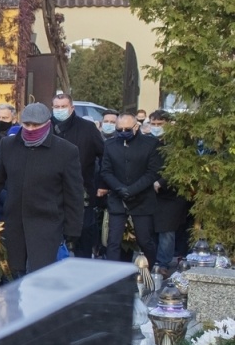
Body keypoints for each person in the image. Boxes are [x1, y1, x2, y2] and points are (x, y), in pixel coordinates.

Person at [0, 103, 84, 275]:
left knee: (41, 277)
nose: (31, 129)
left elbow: (74, 194)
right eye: (27, 124)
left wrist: (73, 230)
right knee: (15, 274)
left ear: (47, 124)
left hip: (47, 226)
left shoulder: (66, 151)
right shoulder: (8, 146)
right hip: (15, 223)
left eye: (36, 125)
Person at [99, 111, 164, 268]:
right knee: (113, 240)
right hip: (117, 197)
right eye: (119, 129)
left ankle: (148, 269)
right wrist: (119, 188)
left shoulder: (150, 144)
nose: (123, 132)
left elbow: (152, 172)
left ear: (136, 126)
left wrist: (132, 190)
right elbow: (106, 171)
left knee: (144, 239)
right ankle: (112, 277)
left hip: (142, 199)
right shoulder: (109, 145)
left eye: (127, 129)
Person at [51, 92, 106, 259]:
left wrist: (102, 183)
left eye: (63, 107)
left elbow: (104, 156)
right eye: (56, 107)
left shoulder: (87, 129)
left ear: (72, 108)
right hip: (51, 193)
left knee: (83, 237)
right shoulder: (45, 128)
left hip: (83, 193)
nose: (60, 110)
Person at [147, 111, 189, 272]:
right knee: (150, 230)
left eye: (160, 124)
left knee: (167, 231)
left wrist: (161, 182)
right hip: (150, 192)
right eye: (154, 124)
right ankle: (152, 262)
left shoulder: (178, 144)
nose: (156, 128)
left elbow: (179, 168)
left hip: (171, 195)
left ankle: (163, 264)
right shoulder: (148, 141)